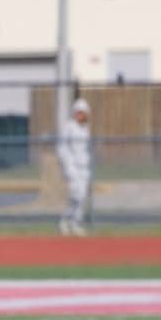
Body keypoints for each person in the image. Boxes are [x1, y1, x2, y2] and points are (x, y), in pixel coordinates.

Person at [57, 98, 93, 235]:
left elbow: (85, 149)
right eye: (78, 112)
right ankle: (65, 219)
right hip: (73, 167)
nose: (80, 115)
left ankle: (75, 222)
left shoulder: (85, 129)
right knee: (75, 195)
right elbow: (62, 148)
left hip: (84, 167)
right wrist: (68, 166)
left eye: (83, 113)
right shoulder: (69, 127)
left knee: (82, 196)